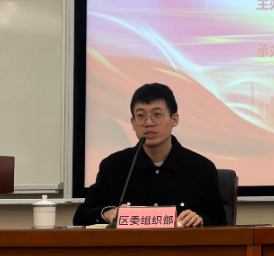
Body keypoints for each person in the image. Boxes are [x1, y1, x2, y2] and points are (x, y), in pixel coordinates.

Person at [73, 83, 226, 227]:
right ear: (133, 123)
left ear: (174, 120)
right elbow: (81, 217)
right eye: (141, 116)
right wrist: (108, 213)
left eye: (157, 115)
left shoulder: (201, 168)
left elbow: (221, 223)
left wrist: (201, 220)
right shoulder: (113, 166)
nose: (148, 123)